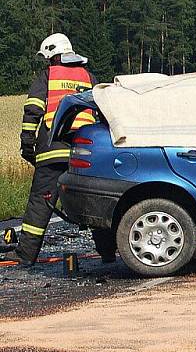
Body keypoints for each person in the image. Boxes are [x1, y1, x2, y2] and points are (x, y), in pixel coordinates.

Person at [2, 34, 116, 266]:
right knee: (92, 202)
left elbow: (33, 110)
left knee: (40, 204)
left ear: (53, 57)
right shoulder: (88, 77)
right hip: (85, 153)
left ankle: (25, 255)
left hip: (52, 152)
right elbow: (103, 112)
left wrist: (27, 143)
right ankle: (107, 253)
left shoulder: (47, 76)